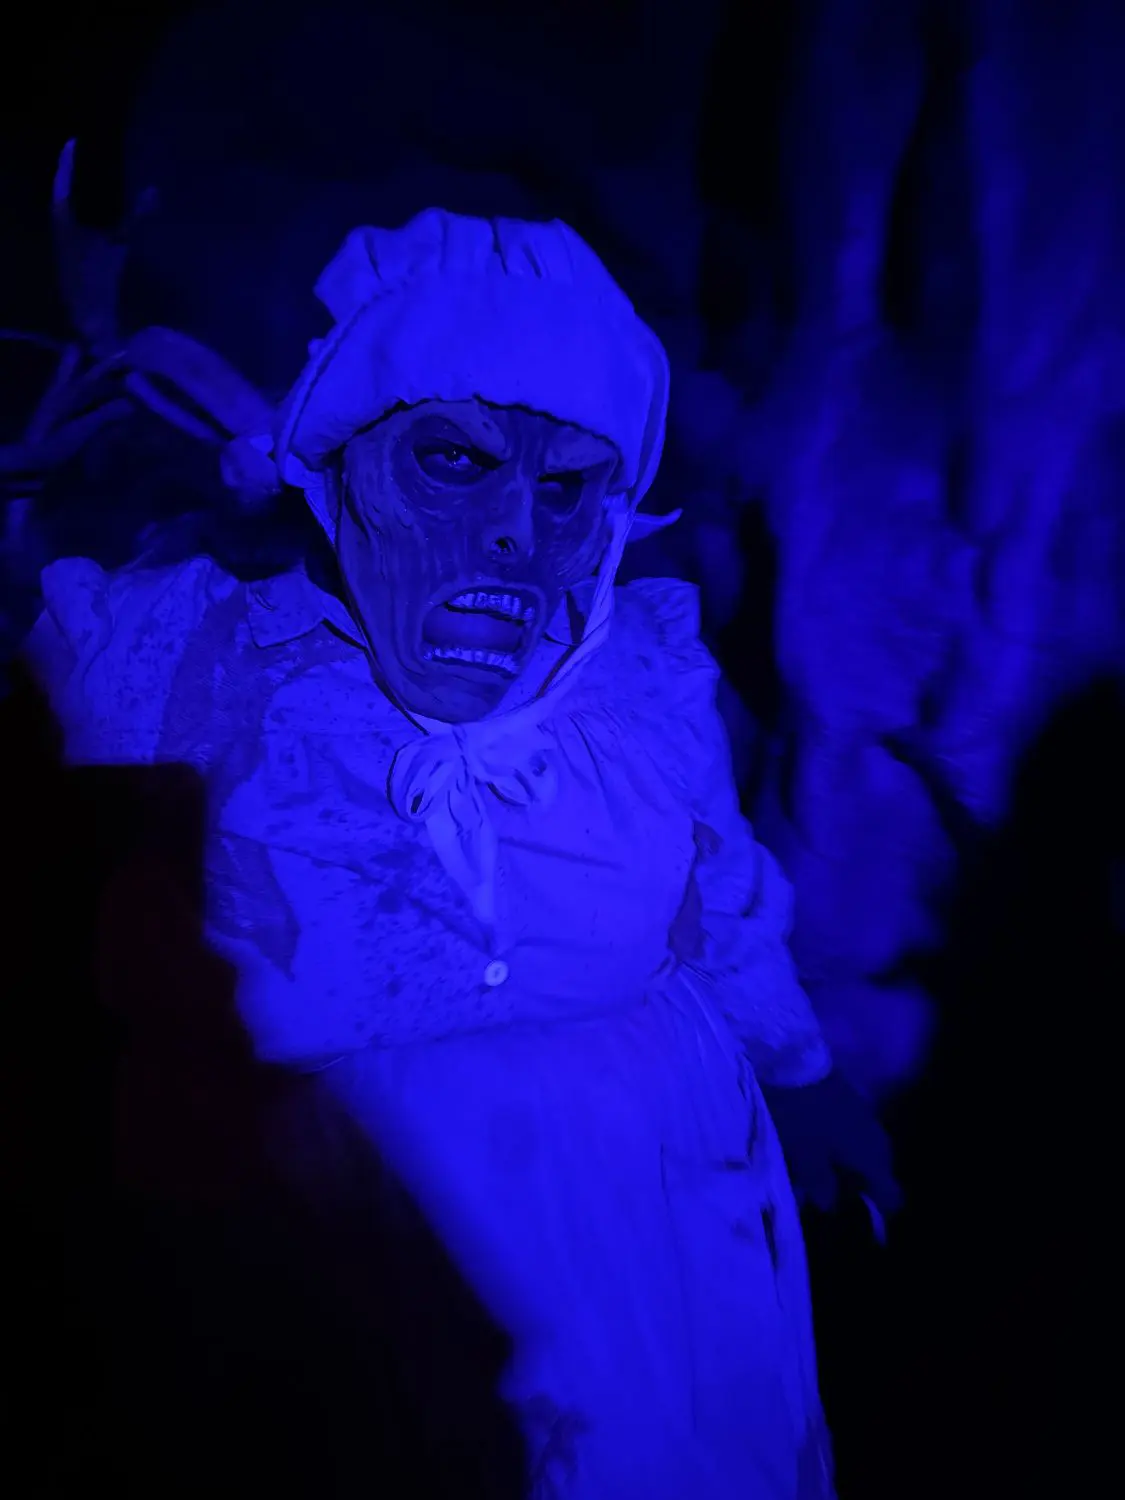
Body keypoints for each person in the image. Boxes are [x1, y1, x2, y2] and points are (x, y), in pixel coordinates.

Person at [23, 209, 869, 1498]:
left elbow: (718, 892)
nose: (515, 531)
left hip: (646, 1253)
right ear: (338, 468)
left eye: (566, 488)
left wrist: (801, 1075)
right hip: (335, 1291)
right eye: (453, 462)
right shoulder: (167, 665)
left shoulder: (638, 680)